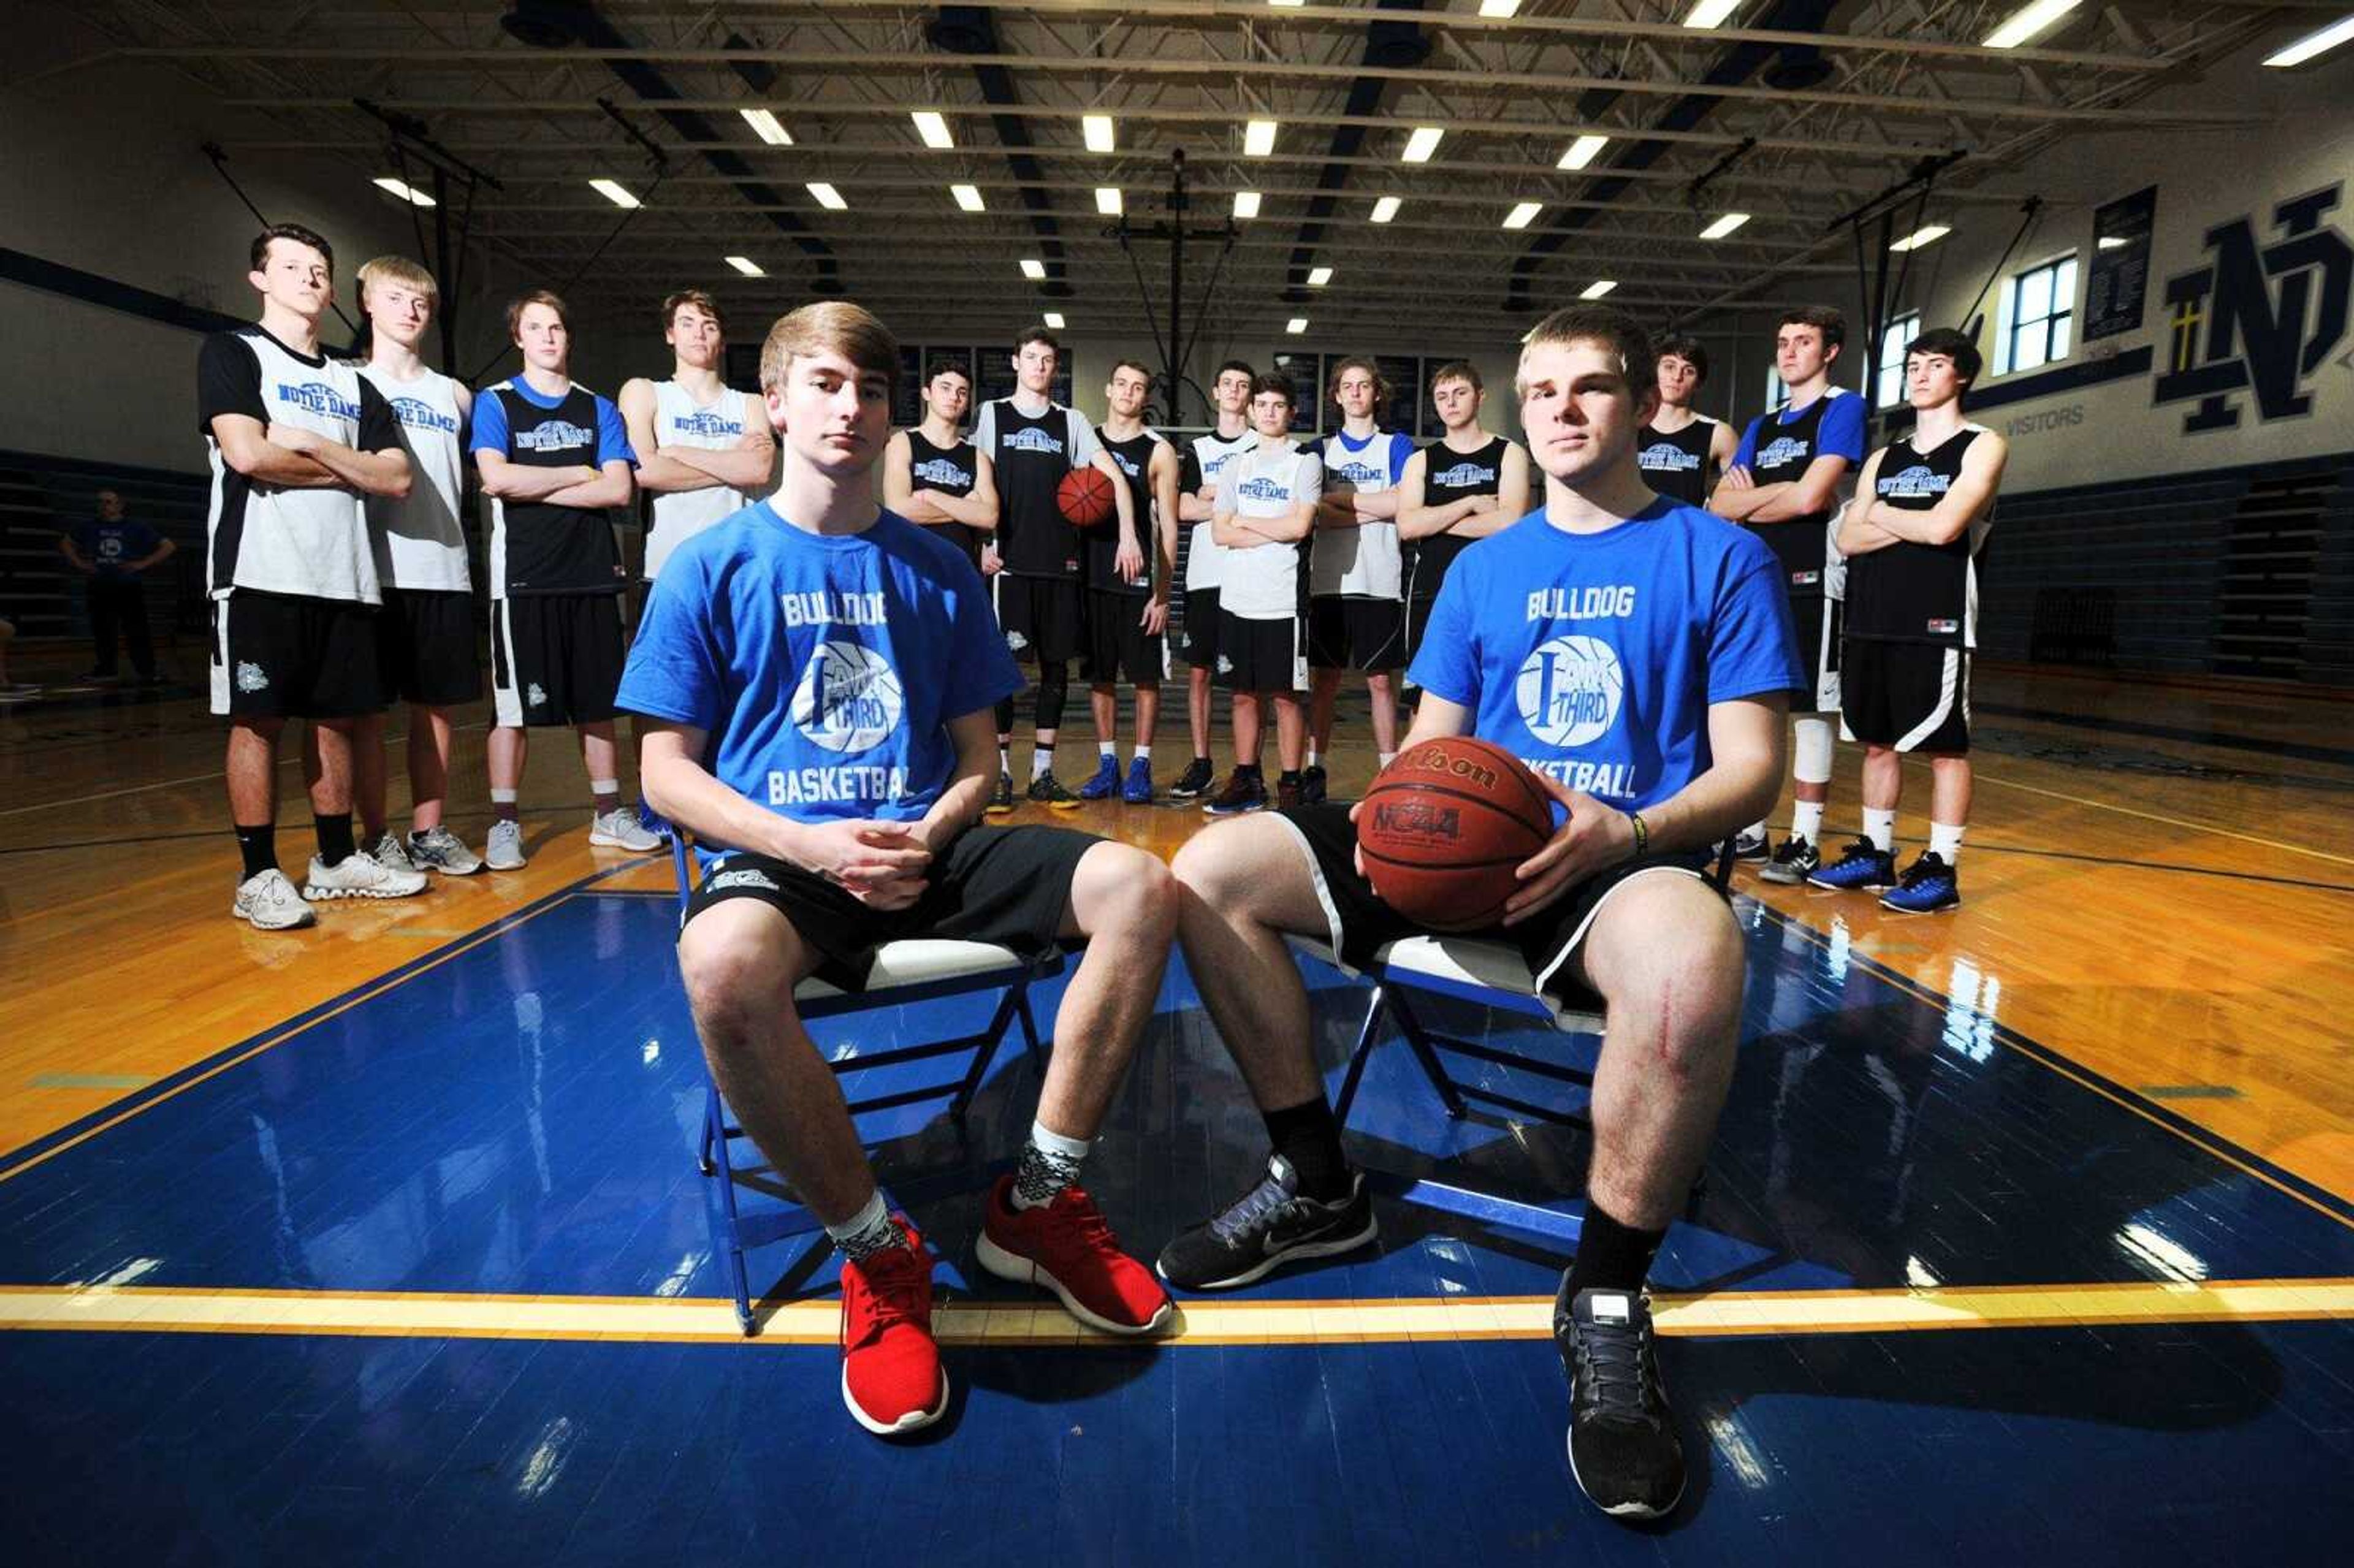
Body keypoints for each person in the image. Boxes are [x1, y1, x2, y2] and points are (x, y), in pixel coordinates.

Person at [1162, 303, 1799, 1521]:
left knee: (1698, 960)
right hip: (1468, 853)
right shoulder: (1484, 567)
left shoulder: (1720, 555)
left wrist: (1630, 828)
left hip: (1616, 865)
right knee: (1211, 871)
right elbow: (1436, 751)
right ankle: (1316, 1182)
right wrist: (1401, 831)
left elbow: (1752, 767)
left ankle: (1606, 1292)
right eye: (1543, 389)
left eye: (1592, 387)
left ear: (1638, 406)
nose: (1563, 410)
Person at [620, 300, 1175, 1437]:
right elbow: (665, 777)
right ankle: (876, 1250)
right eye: (825, 383)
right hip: (796, 860)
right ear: (774, 399)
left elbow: (981, 760)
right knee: (719, 960)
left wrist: (932, 831)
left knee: (1142, 886)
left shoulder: (936, 568)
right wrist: (806, 844)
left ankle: (1036, 1200)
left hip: (935, 843)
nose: (850, 407)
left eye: (871, 389)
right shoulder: (712, 564)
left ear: (893, 414)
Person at [201, 223, 426, 928]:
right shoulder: (234, 352)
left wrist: (318, 445)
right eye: (292, 266)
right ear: (259, 279)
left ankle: (333, 860)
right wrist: (349, 471)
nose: (309, 277)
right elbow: (249, 456)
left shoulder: (352, 382)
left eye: (320, 269)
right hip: (260, 569)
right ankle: (257, 872)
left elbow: (397, 479)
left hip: (346, 576)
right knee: (258, 721)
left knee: (337, 720)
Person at [1808, 327, 2006, 913]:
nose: (1918, 375)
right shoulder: (1882, 458)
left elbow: (1947, 529)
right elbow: (1847, 536)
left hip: (1937, 616)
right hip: (1871, 616)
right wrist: (1911, 517)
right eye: (1912, 365)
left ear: (1961, 376)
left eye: (1934, 365)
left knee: (1947, 749)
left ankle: (1942, 867)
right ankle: (1875, 852)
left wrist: (1883, 514)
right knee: (1876, 744)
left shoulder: (1982, 445)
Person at [473, 289, 661, 869]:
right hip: (524, 576)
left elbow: (617, 488)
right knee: (510, 711)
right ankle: (505, 822)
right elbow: (495, 478)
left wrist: (538, 480)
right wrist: (576, 469)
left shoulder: (597, 407)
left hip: (591, 573)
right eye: (536, 327)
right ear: (518, 337)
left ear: (567, 337)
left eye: (557, 327)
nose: (549, 337)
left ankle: (608, 814)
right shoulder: (496, 402)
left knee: (598, 704)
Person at [1709, 306, 1867, 881]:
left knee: (1812, 713)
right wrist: (1784, 490)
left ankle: (1804, 839)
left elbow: (1812, 501)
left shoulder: (1843, 408)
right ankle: (1753, 828)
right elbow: (1720, 506)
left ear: (1830, 352)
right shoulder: (1763, 424)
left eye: (1803, 341)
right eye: (1782, 341)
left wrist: (1761, 497)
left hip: (1814, 577)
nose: (1789, 351)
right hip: (1760, 579)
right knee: (1762, 704)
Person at [351, 254, 484, 877]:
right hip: (369, 570)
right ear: (368, 303)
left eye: (421, 302)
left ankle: (428, 830)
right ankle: (375, 836)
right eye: (398, 297)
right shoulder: (349, 382)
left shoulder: (453, 394)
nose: (411, 310)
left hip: (444, 567)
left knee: (435, 711)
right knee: (368, 714)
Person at [970, 328, 1137, 810]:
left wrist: (1127, 531)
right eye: (1031, 357)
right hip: (1009, 563)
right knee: (1003, 672)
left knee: (1055, 670)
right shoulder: (993, 415)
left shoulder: (1072, 421)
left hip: (1062, 563)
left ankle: (1043, 772)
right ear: (1016, 362)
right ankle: (1000, 774)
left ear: (1056, 368)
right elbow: (978, 481)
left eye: (1047, 359)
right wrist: (983, 541)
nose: (1040, 366)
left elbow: (1112, 475)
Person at [1202, 373, 1320, 815]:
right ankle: (1247, 779)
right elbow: (1219, 533)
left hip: (1283, 599)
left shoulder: (1304, 462)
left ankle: (1290, 783)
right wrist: (1270, 530)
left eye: (1278, 405)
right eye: (1262, 405)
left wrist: (1245, 523)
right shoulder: (1237, 465)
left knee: (1287, 695)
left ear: (1291, 412)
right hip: (1238, 597)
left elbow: (1299, 527)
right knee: (1242, 694)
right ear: (1251, 412)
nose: (1269, 412)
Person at [1303, 357, 1415, 802]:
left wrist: (1341, 505)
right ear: (1335, 395)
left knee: (1382, 682)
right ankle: (1316, 769)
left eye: (1363, 385)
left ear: (1376, 394)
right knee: (1324, 681)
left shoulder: (1396, 444)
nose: (1355, 392)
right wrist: (1373, 506)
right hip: (1328, 581)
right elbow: (1310, 512)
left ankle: (1389, 770)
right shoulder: (1316, 449)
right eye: (1347, 386)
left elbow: (1405, 502)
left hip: (1380, 578)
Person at [1072, 360, 1178, 804]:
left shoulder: (1159, 451)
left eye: (1138, 387)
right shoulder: (1085, 441)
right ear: (1109, 389)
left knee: (1144, 678)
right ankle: (1108, 764)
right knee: (1100, 676)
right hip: (1089, 574)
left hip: (1138, 581)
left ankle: (1140, 764)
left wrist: (1163, 594)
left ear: (1146, 397)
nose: (1129, 393)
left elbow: (1170, 527)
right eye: (1122, 385)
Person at [620, 289, 774, 585]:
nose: (699, 333)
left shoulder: (752, 403)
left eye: (710, 326)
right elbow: (645, 470)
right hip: (669, 567)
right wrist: (732, 465)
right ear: (670, 334)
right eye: (687, 323)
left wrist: (677, 451)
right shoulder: (644, 392)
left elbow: (758, 470)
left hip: (740, 568)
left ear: (723, 341)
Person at [1396, 361, 1532, 670]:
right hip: (1433, 588)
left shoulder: (1509, 452)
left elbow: (1510, 522)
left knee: (1491, 691)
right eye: (1442, 397)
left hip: (1494, 586)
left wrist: (1434, 522)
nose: (1451, 402)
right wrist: (1470, 502)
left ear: (1480, 396)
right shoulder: (1421, 461)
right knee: (1424, 696)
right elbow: (1407, 526)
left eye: (1460, 393)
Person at [1170, 359, 1257, 800]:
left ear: (1251, 396)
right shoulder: (1197, 449)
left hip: (1250, 574)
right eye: (1228, 384)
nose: (1236, 391)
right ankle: (1202, 762)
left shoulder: (1264, 444)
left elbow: (1266, 508)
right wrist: (1233, 497)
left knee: (1248, 680)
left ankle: (1248, 768)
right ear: (1217, 392)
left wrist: (1213, 493)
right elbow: (1183, 509)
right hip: (1204, 575)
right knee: (1200, 674)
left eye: (1244, 385)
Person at [882, 360, 999, 578]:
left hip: (961, 572)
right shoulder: (902, 443)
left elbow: (989, 517)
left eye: (961, 392)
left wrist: (931, 496)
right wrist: (967, 508)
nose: (954, 397)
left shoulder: (978, 457)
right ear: (927, 393)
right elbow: (899, 509)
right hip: (912, 569)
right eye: (945, 388)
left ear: (967, 402)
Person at [59, 489, 173, 683]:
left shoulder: (136, 527)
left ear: (120, 505)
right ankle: (106, 670)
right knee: (103, 630)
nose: (104, 505)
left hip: (128, 586)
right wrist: (80, 563)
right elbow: (66, 543)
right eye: (101, 502)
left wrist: (143, 564)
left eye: (109, 502)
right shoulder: (89, 526)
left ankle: (147, 671)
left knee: (137, 631)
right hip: (99, 585)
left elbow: (168, 546)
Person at [1637, 335, 1737, 509]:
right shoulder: (1629, 427)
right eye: (1669, 367)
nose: (1677, 377)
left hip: (1688, 532)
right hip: (1635, 530)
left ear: (1699, 383)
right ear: (1654, 372)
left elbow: (1740, 501)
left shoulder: (1719, 434)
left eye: (1689, 371)